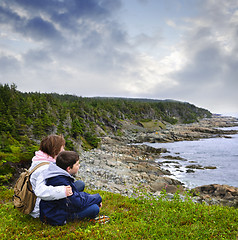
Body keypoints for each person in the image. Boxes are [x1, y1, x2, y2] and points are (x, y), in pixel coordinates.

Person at [40, 151, 108, 226]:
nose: (79, 166)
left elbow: (75, 194)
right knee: (95, 208)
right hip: (55, 215)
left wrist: (91, 197)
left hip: (55, 206)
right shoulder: (62, 182)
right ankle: (67, 219)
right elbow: (78, 203)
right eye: (77, 164)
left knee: (80, 184)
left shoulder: (58, 172)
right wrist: (97, 198)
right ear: (69, 168)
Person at [29, 135, 85, 218]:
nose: (64, 151)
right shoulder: (45, 168)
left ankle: (77, 200)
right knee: (93, 209)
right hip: (42, 208)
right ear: (55, 150)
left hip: (45, 199)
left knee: (80, 184)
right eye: (62, 149)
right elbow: (40, 191)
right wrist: (63, 191)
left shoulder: (39, 159)